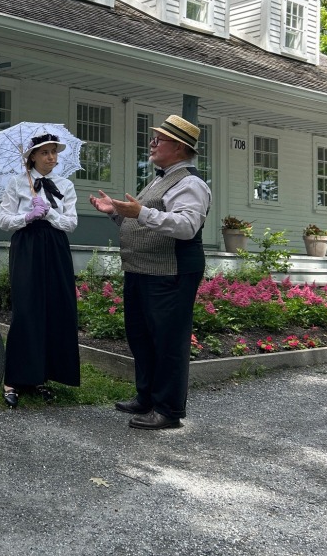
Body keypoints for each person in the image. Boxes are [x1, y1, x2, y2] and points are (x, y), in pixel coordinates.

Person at [89, 115, 210, 430]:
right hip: (142, 269)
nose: (152, 143)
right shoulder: (160, 179)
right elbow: (144, 223)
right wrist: (116, 213)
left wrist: (140, 211)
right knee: (141, 335)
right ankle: (147, 397)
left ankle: (168, 410)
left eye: (160, 139)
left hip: (171, 271)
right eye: (154, 137)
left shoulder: (191, 183)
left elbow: (186, 226)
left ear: (180, 147)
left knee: (168, 339)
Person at [0, 132, 80, 408]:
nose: (52, 157)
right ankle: (14, 379)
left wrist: (50, 213)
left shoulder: (65, 185)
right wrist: (28, 216)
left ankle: (40, 375)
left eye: (55, 152)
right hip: (28, 246)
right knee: (27, 309)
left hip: (56, 247)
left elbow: (71, 223)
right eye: (45, 152)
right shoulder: (17, 183)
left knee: (55, 308)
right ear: (32, 156)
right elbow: (4, 221)